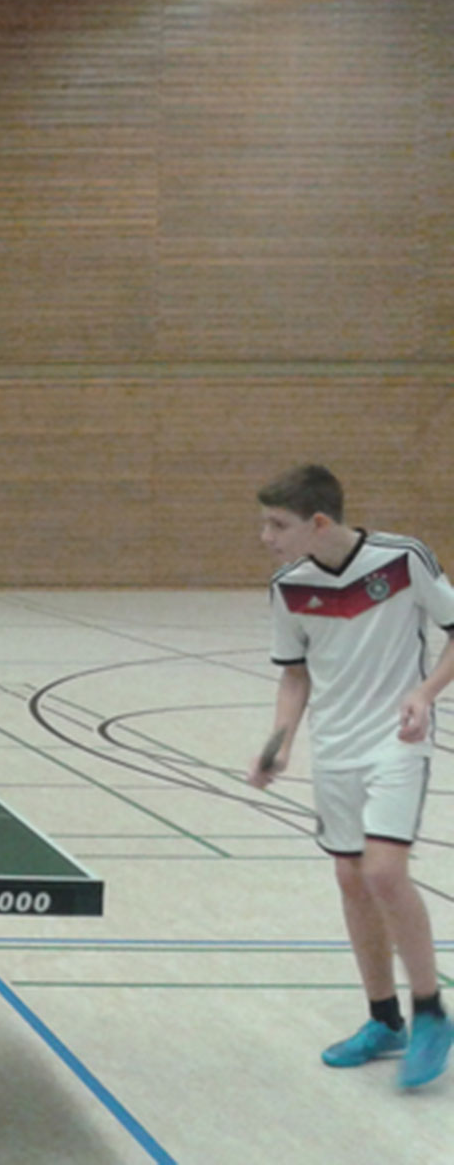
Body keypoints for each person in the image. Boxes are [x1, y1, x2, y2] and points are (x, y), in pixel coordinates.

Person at [250, 463, 454, 1089]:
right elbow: (294, 674)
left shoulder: (403, 559)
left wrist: (424, 692)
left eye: (277, 525)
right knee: (350, 877)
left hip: (396, 741)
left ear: (318, 522)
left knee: (384, 871)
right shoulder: (288, 586)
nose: (265, 537)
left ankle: (431, 1012)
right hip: (334, 749)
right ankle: (384, 1020)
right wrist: (280, 741)